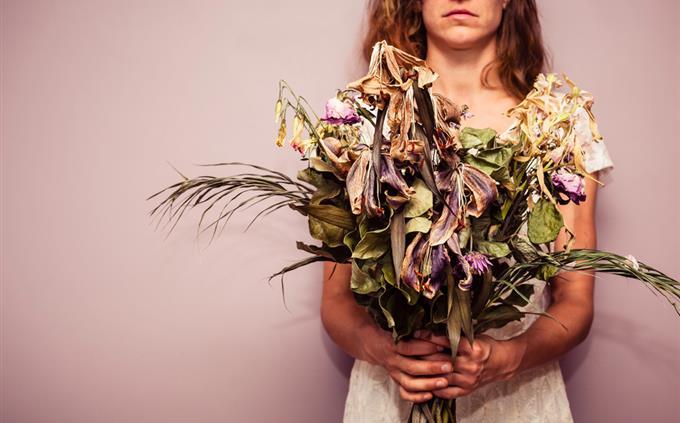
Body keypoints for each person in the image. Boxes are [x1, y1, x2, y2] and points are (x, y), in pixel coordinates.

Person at [321, 0, 614, 422]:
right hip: (392, 398)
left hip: (515, 399)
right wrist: (387, 352)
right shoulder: (362, 118)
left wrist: (511, 356)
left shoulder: (557, 124)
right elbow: (336, 303)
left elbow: (575, 302)